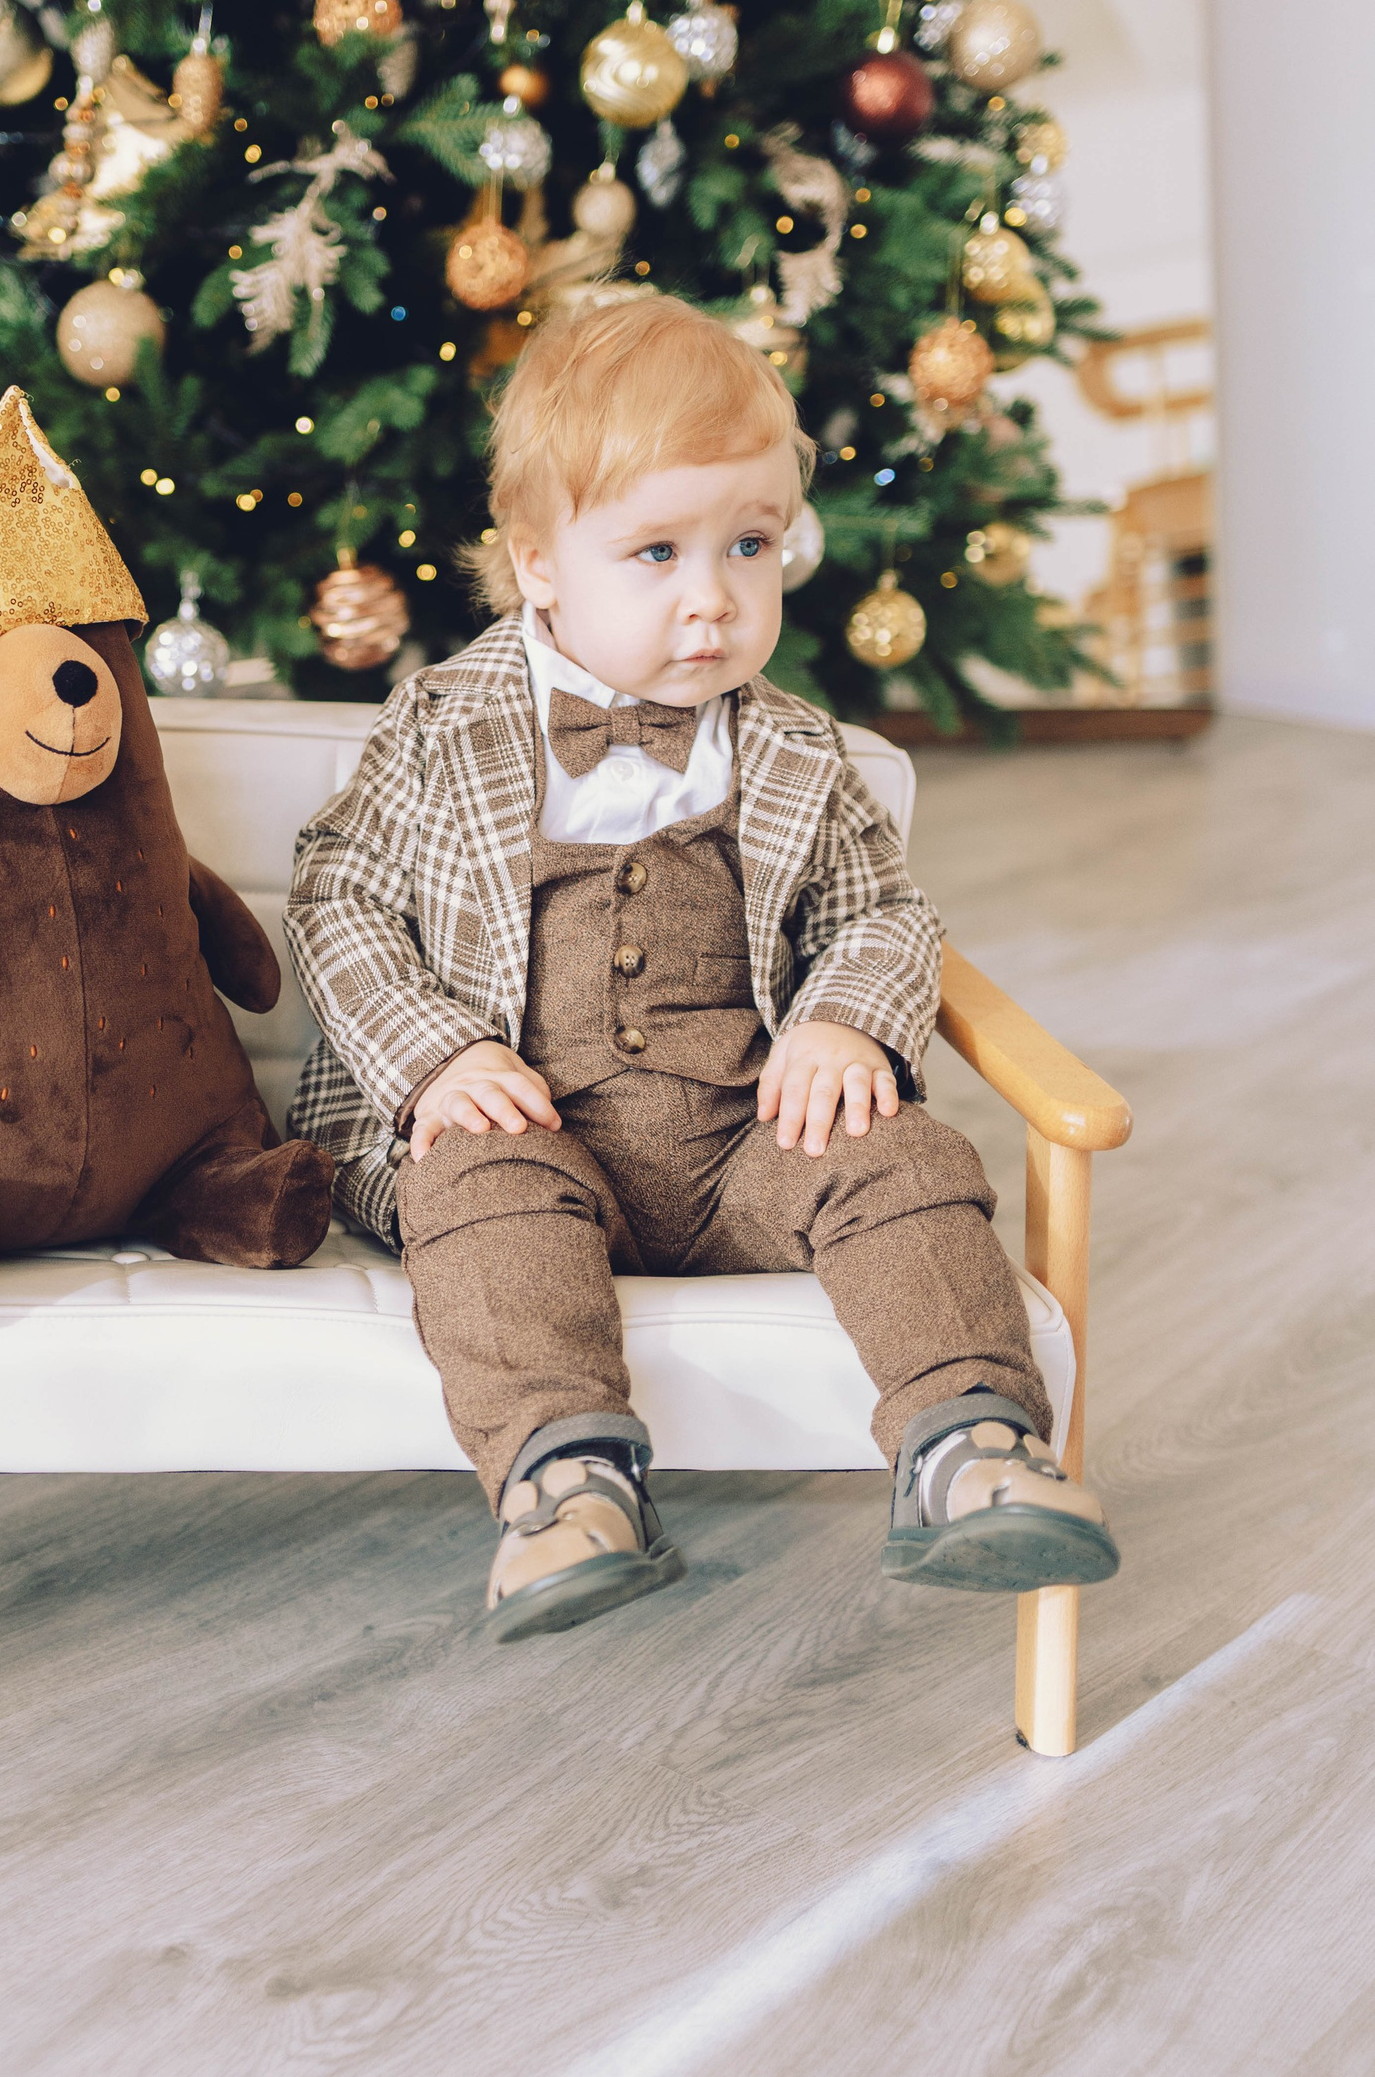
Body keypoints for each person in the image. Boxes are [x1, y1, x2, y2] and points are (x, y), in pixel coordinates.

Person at [285, 294, 1118, 1640]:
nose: (713, 598)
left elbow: (885, 914)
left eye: (749, 545)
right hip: (536, 1134)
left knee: (902, 1159)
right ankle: (567, 1484)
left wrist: (845, 1022)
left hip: (748, 1144)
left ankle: (970, 1446)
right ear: (540, 565)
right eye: (657, 552)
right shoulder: (440, 730)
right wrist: (437, 1057)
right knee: (475, 1193)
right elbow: (339, 896)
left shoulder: (796, 750)